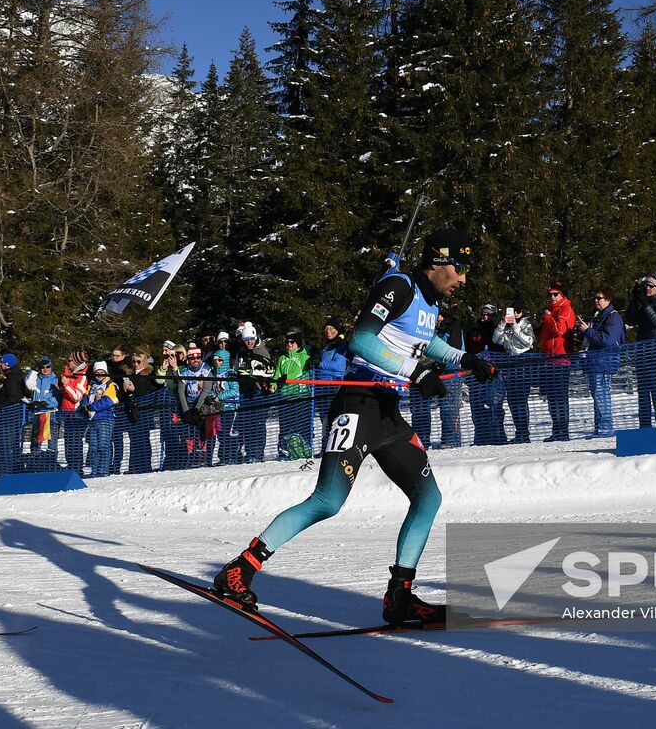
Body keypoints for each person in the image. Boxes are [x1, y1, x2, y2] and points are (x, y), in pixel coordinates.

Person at [212, 228, 497, 627]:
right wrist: (414, 371)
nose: (463, 279)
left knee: (428, 498)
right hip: (358, 407)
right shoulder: (399, 285)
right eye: (460, 268)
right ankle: (239, 569)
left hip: (388, 415)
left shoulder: (429, 302)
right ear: (437, 262)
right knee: (327, 501)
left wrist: (466, 359)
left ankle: (400, 596)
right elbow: (361, 339)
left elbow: (425, 341)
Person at [626, 271, 656, 427]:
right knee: (643, 391)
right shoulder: (643, 299)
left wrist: (646, 305)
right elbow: (631, 319)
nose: (647, 288)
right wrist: (635, 300)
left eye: (651, 286)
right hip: (642, 348)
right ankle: (644, 426)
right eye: (646, 285)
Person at [577, 286, 626, 437]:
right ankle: (600, 427)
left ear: (608, 300)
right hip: (595, 362)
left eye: (599, 298)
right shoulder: (598, 316)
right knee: (597, 395)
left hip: (604, 363)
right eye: (595, 298)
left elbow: (606, 340)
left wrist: (587, 330)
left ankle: (605, 428)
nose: (596, 301)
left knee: (601, 395)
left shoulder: (613, 317)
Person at [411, 312, 463, 448]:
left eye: (438, 316)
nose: (436, 319)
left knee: (448, 407)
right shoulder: (426, 328)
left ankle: (450, 440)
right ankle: (421, 440)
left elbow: (454, 350)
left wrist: (439, 365)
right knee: (420, 407)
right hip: (427, 370)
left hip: (450, 372)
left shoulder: (453, 327)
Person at [536, 280, 577, 441]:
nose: (552, 297)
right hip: (548, 360)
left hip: (561, 359)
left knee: (560, 397)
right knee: (552, 398)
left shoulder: (565, 309)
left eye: (555, 294)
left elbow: (560, 329)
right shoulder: (551, 311)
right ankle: (557, 430)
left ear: (562, 294)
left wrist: (547, 318)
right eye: (550, 294)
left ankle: (562, 431)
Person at [491, 298, 535, 443]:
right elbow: (496, 340)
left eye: (517, 312)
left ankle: (524, 433)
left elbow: (529, 342)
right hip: (509, 364)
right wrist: (503, 323)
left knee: (521, 400)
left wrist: (516, 327)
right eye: (512, 312)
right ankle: (519, 432)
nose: (514, 315)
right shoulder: (507, 326)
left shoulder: (526, 324)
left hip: (523, 363)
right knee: (512, 400)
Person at [464, 305, 505, 445]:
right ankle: (480, 437)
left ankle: (498, 436)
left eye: (488, 314)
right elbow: (467, 351)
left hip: (495, 374)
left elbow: (503, 348)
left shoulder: (498, 330)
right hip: (476, 374)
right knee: (477, 407)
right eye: (483, 314)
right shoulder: (473, 330)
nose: (485, 317)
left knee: (494, 405)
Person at [235, 323, 274, 463]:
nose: (249, 342)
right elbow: (238, 369)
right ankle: (250, 452)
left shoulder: (262, 351)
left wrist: (252, 373)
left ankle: (257, 453)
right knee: (247, 424)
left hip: (259, 392)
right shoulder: (242, 351)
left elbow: (269, 371)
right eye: (246, 340)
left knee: (258, 424)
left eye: (251, 339)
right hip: (246, 392)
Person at [275, 330, 314, 460]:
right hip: (285, 396)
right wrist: (273, 385)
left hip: (300, 396)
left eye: (292, 342)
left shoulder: (304, 357)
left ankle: (305, 449)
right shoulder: (282, 358)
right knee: (285, 426)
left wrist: (287, 377)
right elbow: (277, 375)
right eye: (287, 342)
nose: (289, 344)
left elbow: (303, 374)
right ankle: (284, 450)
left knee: (300, 425)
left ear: (297, 343)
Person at [313, 320, 349, 449]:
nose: (328, 331)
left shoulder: (341, 345)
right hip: (321, 385)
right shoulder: (327, 346)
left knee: (334, 416)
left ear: (338, 330)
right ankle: (325, 446)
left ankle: (336, 444)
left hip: (334, 384)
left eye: (332, 328)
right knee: (324, 418)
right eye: (326, 328)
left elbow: (339, 366)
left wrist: (319, 364)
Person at [83, 361, 119, 478]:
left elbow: (107, 402)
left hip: (105, 419)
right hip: (93, 419)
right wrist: (85, 406)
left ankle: (103, 471)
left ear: (106, 372)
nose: (99, 374)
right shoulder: (91, 385)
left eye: (102, 372)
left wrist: (91, 406)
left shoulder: (110, 385)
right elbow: (85, 398)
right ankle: (94, 471)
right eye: (97, 372)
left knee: (103, 445)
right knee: (93, 446)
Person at [24, 356, 61, 463]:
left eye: (48, 367)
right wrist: (34, 370)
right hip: (38, 415)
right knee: (36, 442)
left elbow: (57, 397)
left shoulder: (55, 380)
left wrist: (44, 403)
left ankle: (51, 463)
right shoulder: (36, 379)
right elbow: (28, 383)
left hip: (51, 415)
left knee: (51, 442)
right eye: (42, 367)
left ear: (52, 367)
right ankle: (35, 463)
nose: (45, 369)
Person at [60, 351, 91, 473]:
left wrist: (66, 384)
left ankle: (77, 467)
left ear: (77, 362)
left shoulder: (82, 377)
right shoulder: (71, 374)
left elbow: (77, 396)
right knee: (68, 441)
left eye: (70, 360)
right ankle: (70, 465)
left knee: (75, 442)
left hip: (77, 414)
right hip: (67, 413)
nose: (68, 363)